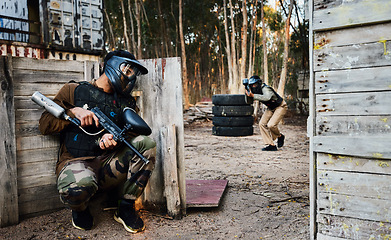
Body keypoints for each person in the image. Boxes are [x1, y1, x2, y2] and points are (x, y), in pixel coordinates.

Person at [38, 50, 156, 233]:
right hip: (76, 162)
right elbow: (45, 125)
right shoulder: (74, 90)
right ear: (113, 65)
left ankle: (125, 208)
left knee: (146, 145)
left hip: (109, 166)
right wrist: (73, 112)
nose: (131, 76)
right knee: (77, 190)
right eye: (128, 69)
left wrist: (113, 141)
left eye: (134, 72)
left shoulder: (126, 103)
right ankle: (80, 209)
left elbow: (132, 138)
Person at [244, 75, 287, 151]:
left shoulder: (265, 88)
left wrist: (253, 95)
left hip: (280, 106)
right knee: (262, 124)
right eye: (252, 85)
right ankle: (271, 145)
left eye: (255, 85)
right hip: (271, 108)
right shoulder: (255, 91)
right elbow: (249, 101)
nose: (254, 86)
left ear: (259, 83)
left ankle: (280, 136)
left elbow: (267, 98)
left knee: (271, 125)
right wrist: (247, 93)